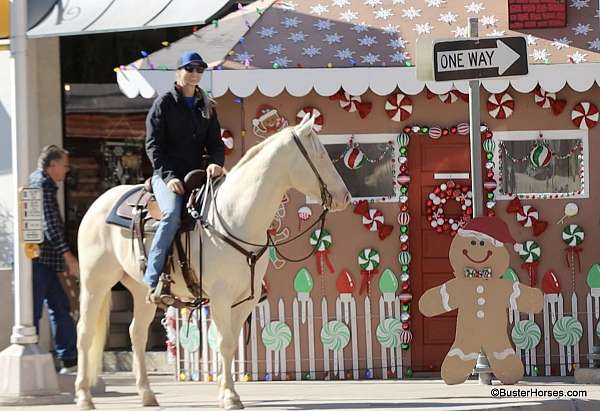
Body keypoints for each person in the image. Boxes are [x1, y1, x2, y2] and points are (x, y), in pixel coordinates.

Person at [144, 51, 225, 302]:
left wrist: (215, 164)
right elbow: (153, 145)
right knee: (171, 215)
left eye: (200, 69)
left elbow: (216, 143)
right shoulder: (164, 103)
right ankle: (153, 277)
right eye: (190, 68)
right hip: (167, 175)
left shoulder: (207, 105)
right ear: (179, 72)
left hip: (197, 174)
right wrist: (168, 177)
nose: (195, 74)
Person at [28, 145, 78, 374]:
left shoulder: (40, 182)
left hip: (47, 260)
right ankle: (42, 359)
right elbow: (50, 225)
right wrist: (68, 256)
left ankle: (67, 359)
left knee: (59, 308)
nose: (66, 171)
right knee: (41, 311)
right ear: (53, 165)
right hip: (41, 261)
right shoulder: (42, 185)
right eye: (65, 166)